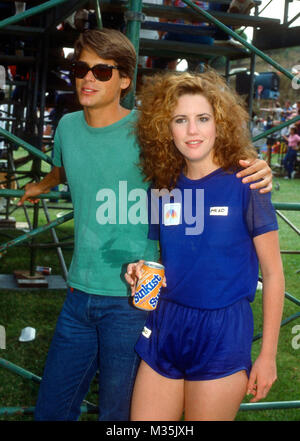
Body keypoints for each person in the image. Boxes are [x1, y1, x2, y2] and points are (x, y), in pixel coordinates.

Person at [18, 29, 272, 421]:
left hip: (140, 304)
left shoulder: (149, 130)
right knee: (54, 410)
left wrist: (256, 165)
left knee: (118, 414)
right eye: (81, 68)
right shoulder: (72, 129)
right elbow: (64, 167)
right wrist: (44, 184)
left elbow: (206, 145)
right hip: (88, 294)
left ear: (124, 79)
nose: (88, 77)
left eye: (102, 71)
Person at [125, 70, 284, 421]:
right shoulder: (162, 186)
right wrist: (138, 270)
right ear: (165, 128)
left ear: (220, 123)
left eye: (202, 119)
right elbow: (168, 257)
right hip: (165, 322)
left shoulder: (247, 182)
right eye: (180, 120)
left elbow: (273, 274)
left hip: (222, 330)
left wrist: (268, 355)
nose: (192, 131)